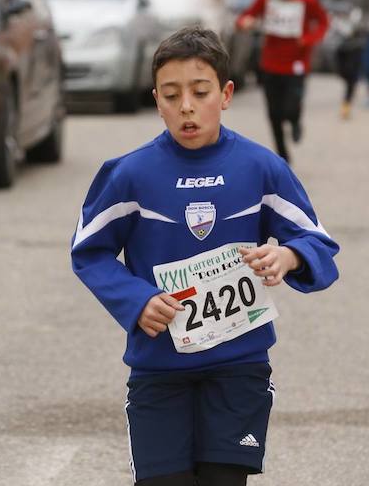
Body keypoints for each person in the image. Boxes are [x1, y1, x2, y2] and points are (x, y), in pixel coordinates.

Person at [71, 27, 340, 486]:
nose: (187, 107)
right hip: (159, 367)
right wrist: (136, 300)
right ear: (156, 100)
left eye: (200, 92)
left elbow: (317, 241)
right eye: (172, 96)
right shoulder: (130, 175)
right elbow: (88, 252)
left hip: (239, 366)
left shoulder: (261, 168)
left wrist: (289, 257)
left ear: (226, 93)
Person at [236, 0, 329, 161]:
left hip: (297, 62)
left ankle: (295, 121)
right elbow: (246, 16)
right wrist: (245, 22)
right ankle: (282, 153)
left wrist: (307, 39)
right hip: (270, 62)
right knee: (273, 112)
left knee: (291, 106)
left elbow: (323, 23)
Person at [322, 0, 369, 120]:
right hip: (338, 35)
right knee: (339, 67)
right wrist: (344, 9)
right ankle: (348, 82)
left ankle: (347, 102)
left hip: (358, 37)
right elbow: (325, 3)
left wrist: (361, 24)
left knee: (353, 70)